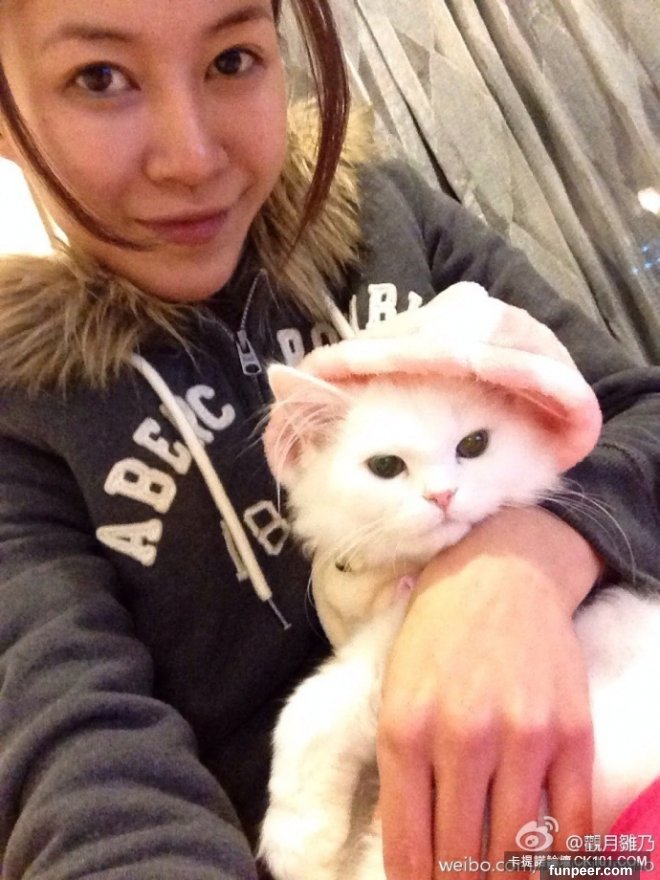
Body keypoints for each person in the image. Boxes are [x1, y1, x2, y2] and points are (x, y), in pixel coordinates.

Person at [0, 1, 658, 879]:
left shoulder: (388, 220)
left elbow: (638, 413)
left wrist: (518, 566)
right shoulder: (21, 408)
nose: (192, 158)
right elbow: (79, 761)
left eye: (232, 60)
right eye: (100, 78)